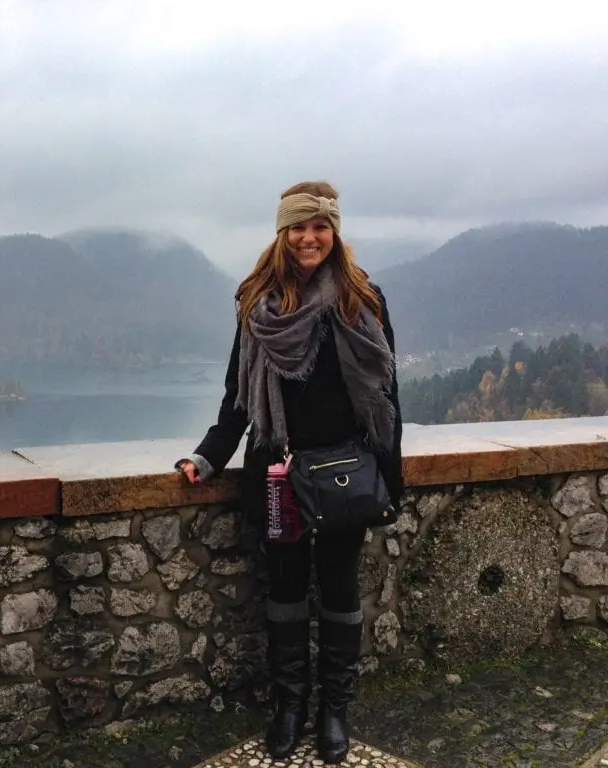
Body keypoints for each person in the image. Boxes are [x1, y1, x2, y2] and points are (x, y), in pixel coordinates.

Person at [175, 180, 404, 764]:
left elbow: (385, 396)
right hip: (277, 472)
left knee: (338, 590)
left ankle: (334, 710)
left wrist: (391, 480)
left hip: (346, 471)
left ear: (335, 232)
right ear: (282, 233)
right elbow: (237, 399)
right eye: (298, 227)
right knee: (283, 592)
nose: (309, 237)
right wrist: (206, 456)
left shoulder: (363, 299)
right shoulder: (258, 304)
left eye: (320, 226)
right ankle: (290, 706)